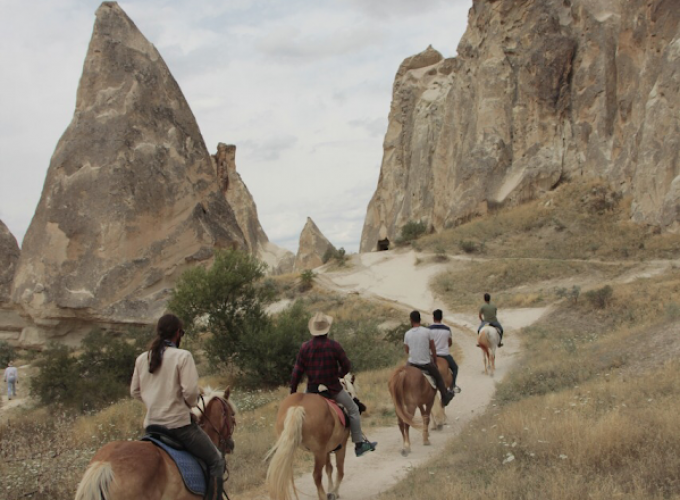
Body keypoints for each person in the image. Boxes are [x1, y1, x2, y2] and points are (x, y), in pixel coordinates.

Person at [131, 314, 225, 500]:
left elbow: (135, 391)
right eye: (181, 332)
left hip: (152, 427)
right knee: (216, 460)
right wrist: (188, 406)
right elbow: (190, 393)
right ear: (177, 334)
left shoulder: (142, 358)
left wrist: (154, 402)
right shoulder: (183, 356)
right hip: (179, 427)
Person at [290, 312, 377, 457]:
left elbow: (297, 372)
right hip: (333, 389)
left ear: (313, 329)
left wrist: (292, 392)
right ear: (327, 329)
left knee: (299, 414)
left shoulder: (305, 347)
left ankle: (301, 442)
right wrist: (338, 374)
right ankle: (359, 445)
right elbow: (346, 366)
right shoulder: (334, 346)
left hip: (311, 390)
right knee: (354, 409)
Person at [404, 310, 454, 406]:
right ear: (420, 319)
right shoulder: (427, 331)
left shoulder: (407, 334)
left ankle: (403, 395)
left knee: (403, 374)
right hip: (425, 363)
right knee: (438, 377)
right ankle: (445, 395)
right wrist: (434, 359)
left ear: (411, 320)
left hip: (412, 363)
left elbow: (406, 350)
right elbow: (432, 348)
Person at [428, 309, 461, 393]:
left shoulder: (428, 329)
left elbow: (427, 344)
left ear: (433, 318)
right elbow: (450, 343)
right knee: (455, 368)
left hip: (432, 355)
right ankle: (453, 386)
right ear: (441, 318)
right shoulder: (447, 329)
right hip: (444, 354)